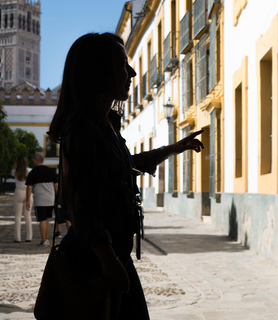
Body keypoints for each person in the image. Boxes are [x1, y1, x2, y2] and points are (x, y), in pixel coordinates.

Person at [47, 32, 204, 319]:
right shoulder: (83, 130)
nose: (131, 72)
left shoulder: (104, 125)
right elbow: (84, 208)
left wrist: (173, 148)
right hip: (96, 260)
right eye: (122, 65)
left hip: (114, 254)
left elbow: (124, 163)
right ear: (98, 73)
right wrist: (108, 262)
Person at [25, 152, 58, 247]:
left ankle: (43, 240)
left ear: (36, 160)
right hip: (50, 199)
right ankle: (47, 238)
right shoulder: (50, 171)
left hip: (40, 199)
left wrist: (27, 200)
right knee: (47, 219)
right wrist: (58, 197)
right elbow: (56, 185)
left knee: (42, 219)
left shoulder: (33, 172)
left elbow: (29, 187)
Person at [11, 155, 33, 243]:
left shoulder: (15, 171)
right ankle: (29, 236)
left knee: (17, 216)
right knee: (28, 216)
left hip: (18, 192)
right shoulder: (29, 170)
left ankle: (17, 237)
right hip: (27, 191)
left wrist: (15, 165)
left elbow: (11, 172)